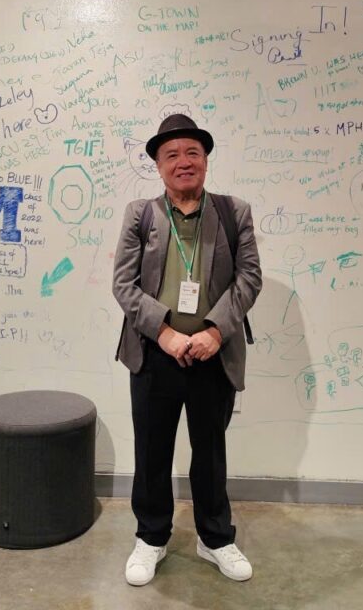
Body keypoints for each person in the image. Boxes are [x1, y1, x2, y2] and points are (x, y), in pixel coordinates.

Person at [112, 114, 262, 586]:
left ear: (206, 160)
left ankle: (215, 538)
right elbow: (123, 284)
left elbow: (249, 278)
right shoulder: (141, 214)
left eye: (192, 153)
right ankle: (151, 536)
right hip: (155, 353)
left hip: (212, 353)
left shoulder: (234, 212)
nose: (183, 162)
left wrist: (215, 331)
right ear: (158, 166)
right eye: (172, 155)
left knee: (210, 451)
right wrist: (165, 333)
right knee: (151, 451)